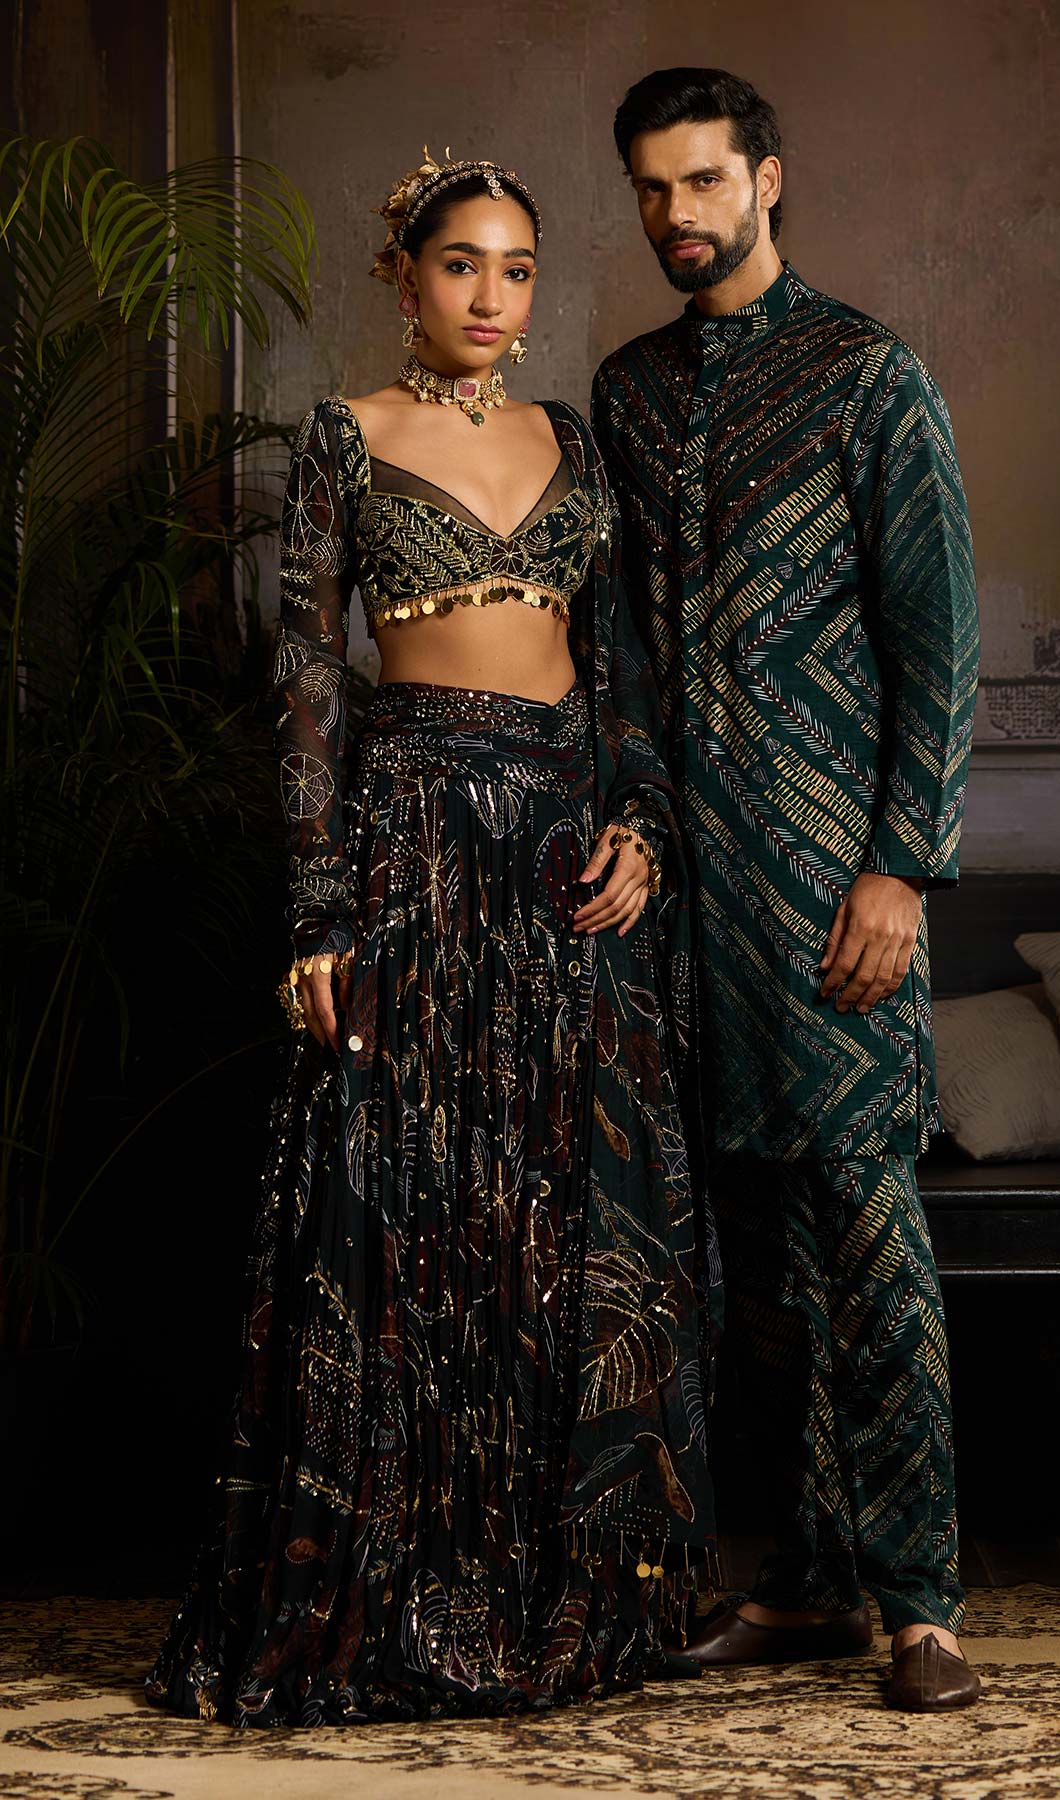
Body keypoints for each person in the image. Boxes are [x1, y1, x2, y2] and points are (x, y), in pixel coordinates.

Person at [146, 149, 719, 1727]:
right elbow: (307, 684)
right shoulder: (345, 437)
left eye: (518, 269)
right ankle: (391, 1595)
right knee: (406, 1206)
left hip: (562, 861)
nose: (492, 297)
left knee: (561, 1210)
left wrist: (640, 826)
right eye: (462, 264)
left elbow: (623, 673)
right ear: (403, 274)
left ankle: (555, 1592)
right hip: (414, 851)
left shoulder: (573, 440)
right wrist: (322, 909)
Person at [591, 70, 982, 1712]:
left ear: (769, 180)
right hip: (692, 909)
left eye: (704, 180)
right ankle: (810, 1581)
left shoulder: (867, 376)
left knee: (871, 1241)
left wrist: (903, 865)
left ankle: (921, 1605)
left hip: (838, 896)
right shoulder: (629, 394)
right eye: (652, 188)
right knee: (754, 1272)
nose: (677, 212)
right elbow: (620, 647)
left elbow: (938, 641)